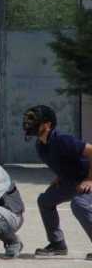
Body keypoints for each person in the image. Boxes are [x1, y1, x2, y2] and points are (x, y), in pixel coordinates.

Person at [23, 105, 92, 260]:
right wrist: (61, 176)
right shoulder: (41, 145)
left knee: (79, 204)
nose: (29, 123)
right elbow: (63, 161)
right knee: (45, 201)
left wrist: (89, 179)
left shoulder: (62, 140)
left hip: (88, 178)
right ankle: (57, 244)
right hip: (71, 180)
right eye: (28, 120)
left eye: (34, 120)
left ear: (47, 125)